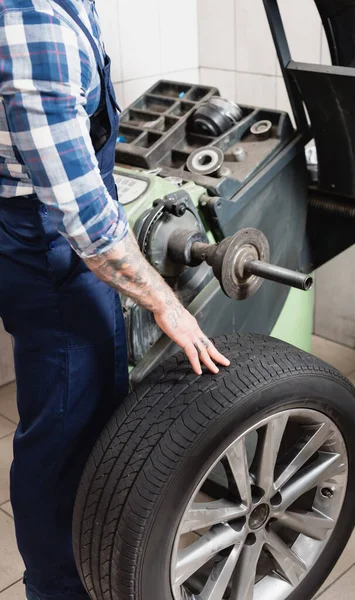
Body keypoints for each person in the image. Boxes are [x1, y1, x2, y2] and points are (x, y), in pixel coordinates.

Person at [0, 1, 230, 598]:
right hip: (43, 242)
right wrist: (164, 303)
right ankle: (58, 586)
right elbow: (82, 218)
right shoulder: (32, 24)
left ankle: (94, 558)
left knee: (97, 400)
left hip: (49, 229)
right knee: (63, 428)